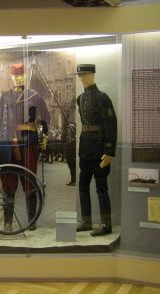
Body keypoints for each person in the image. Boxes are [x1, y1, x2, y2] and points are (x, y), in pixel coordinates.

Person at [0, 63, 50, 232]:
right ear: (11, 76)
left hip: (28, 144)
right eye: (15, 75)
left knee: (30, 182)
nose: (18, 77)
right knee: (8, 184)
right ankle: (7, 223)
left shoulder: (34, 97)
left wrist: (43, 137)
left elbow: (44, 120)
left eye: (21, 74)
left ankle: (31, 221)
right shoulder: (3, 98)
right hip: (7, 146)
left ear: (25, 75)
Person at [74, 64, 117, 237]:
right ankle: (86, 221)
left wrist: (109, 151)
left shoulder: (102, 97)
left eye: (86, 75)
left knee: (101, 187)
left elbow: (111, 125)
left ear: (93, 75)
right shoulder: (80, 98)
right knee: (83, 186)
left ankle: (106, 224)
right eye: (80, 76)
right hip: (85, 149)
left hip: (100, 149)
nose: (83, 78)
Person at [63, 122, 76, 186]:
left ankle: (74, 180)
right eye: (68, 128)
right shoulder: (67, 138)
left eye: (70, 128)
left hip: (73, 155)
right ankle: (72, 180)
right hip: (69, 155)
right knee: (70, 168)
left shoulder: (75, 139)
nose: (68, 129)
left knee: (73, 168)